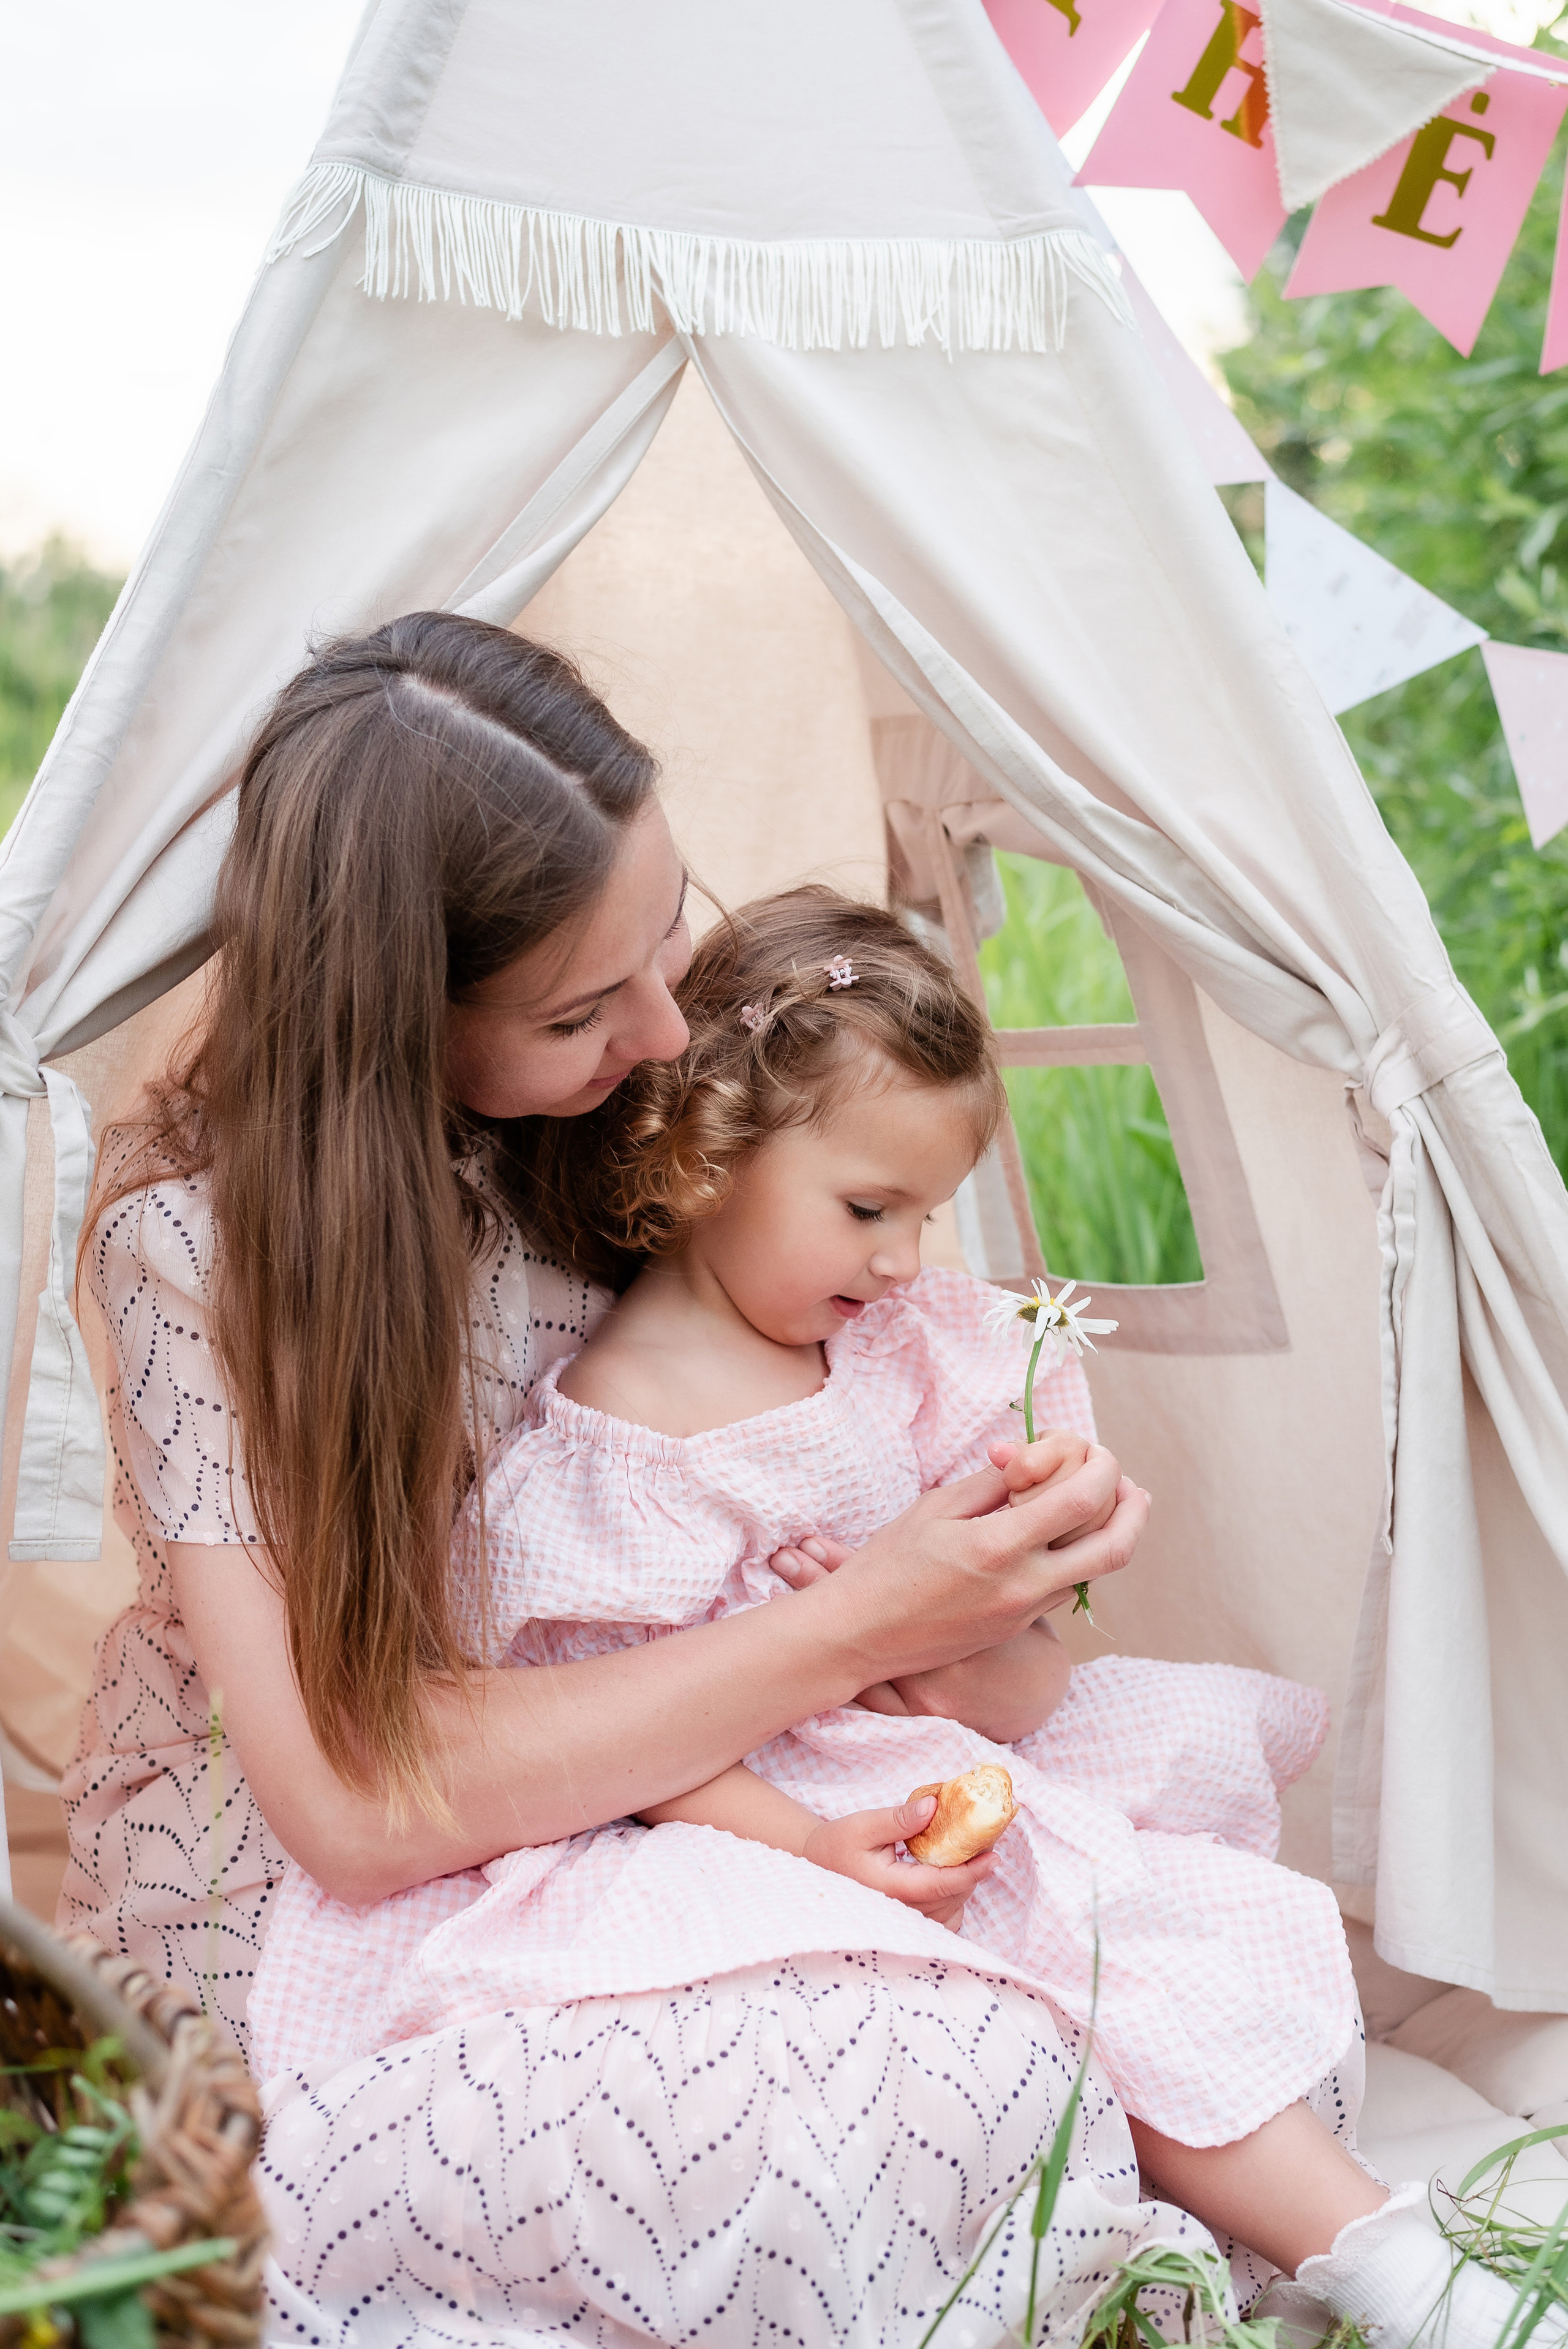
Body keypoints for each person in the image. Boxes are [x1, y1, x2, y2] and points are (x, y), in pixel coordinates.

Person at [63, 613, 1188, 2349]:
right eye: (586, 1005)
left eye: (670, 923)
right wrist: (862, 1618)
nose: (671, 1025)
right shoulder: (196, 1255)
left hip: (686, 1799)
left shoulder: (649, 1117)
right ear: (396, 1023)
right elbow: (360, 1810)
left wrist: (998, 1560)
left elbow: (854, 1399)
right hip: (341, 1899)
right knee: (911, 2101)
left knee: (1102, 1989)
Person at [249, 875, 1551, 2347]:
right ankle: (1374, 2256)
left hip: (940, 1742)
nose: (899, 1260)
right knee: (1055, 1929)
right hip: (736, 1815)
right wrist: (808, 1833)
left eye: (923, 1215)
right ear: (702, 1150)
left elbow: (1022, 1675)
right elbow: (615, 1739)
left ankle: (1357, 2239)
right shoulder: (616, 1440)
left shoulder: (906, 1353)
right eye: (867, 1210)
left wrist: (981, 1618)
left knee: (1131, 1904)